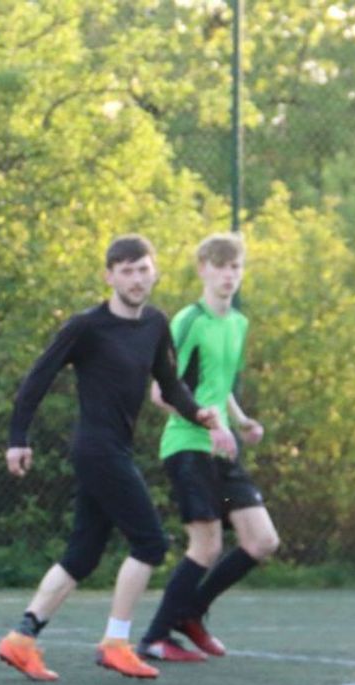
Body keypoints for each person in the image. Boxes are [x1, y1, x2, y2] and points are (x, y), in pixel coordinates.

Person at [0, 235, 234, 682]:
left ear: (154, 272)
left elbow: (170, 384)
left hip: (115, 449)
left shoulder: (155, 324)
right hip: (96, 449)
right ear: (109, 277)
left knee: (83, 554)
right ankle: (116, 643)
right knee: (151, 543)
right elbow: (37, 379)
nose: (137, 279)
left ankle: (22, 639)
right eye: (126, 271)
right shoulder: (86, 327)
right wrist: (17, 439)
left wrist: (197, 413)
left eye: (143, 270)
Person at [138, 232, 279, 661]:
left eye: (235, 267)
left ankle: (190, 614)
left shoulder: (238, 323)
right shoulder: (189, 320)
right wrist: (207, 423)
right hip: (187, 447)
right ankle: (155, 637)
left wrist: (240, 420)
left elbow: (219, 385)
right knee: (206, 546)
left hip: (222, 450)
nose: (228, 275)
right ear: (203, 270)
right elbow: (162, 392)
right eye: (219, 266)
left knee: (262, 541)